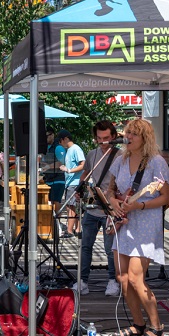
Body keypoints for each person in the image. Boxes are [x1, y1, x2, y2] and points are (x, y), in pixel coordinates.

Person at [106, 118, 169, 336]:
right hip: (124, 223)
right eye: (127, 133)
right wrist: (113, 201)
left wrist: (140, 205)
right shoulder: (121, 159)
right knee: (122, 279)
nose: (128, 137)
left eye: (134, 134)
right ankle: (138, 324)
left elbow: (167, 197)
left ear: (145, 137)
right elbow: (110, 189)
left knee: (136, 277)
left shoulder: (156, 162)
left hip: (145, 222)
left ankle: (157, 328)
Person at [77, 121, 120, 297]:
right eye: (99, 138)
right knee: (85, 245)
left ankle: (113, 281)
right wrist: (80, 189)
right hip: (93, 207)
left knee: (110, 248)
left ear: (114, 137)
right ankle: (82, 281)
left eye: (107, 138)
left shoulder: (121, 156)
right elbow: (85, 173)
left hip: (111, 208)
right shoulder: (92, 154)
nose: (103, 142)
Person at [56, 130, 86, 236]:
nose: (60, 144)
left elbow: (83, 164)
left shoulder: (75, 149)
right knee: (75, 206)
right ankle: (77, 229)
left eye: (60, 141)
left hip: (75, 182)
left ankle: (69, 230)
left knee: (71, 206)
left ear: (65, 139)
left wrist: (69, 170)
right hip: (70, 182)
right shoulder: (69, 150)